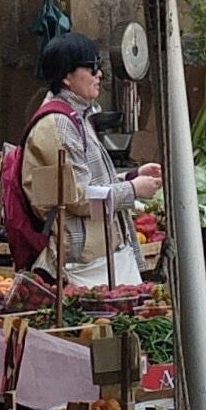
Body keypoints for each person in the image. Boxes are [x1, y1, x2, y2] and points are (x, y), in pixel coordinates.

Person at [18, 34, 159, 286]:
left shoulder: (77, 117)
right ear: (66, 76)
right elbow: (79, 199)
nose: (99, 74)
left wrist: (131, 176)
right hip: (81, 266)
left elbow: (88, 183)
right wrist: (132, 190)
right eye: (92, 67)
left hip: (98, 258)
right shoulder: (58, 124)